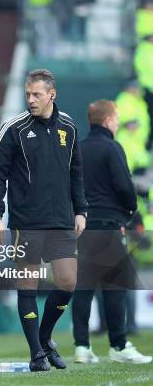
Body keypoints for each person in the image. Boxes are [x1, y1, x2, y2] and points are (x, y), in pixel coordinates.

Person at [0, 68, 87, 371]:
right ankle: (36, 354)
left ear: (51, 95)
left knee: (68, 282)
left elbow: (77, 171)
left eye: (37, 94)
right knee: (27, 285)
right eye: (28, 94)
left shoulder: (68, 126)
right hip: (25, 221)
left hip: (61, 219)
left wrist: (80, 210)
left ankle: (45, 336)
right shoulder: (13, 127)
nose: (30, 99)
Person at [73, 99, 152, 364]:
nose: (117, 123)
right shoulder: (112, 147)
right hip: (108, 224)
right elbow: (124, 186)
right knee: (115, 287)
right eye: (116, 119)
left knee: (83, 288)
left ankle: (82, 347)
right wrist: (131, 210)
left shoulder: (79, 148)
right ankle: (118, 345)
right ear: (108, 121)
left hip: (83, 226)